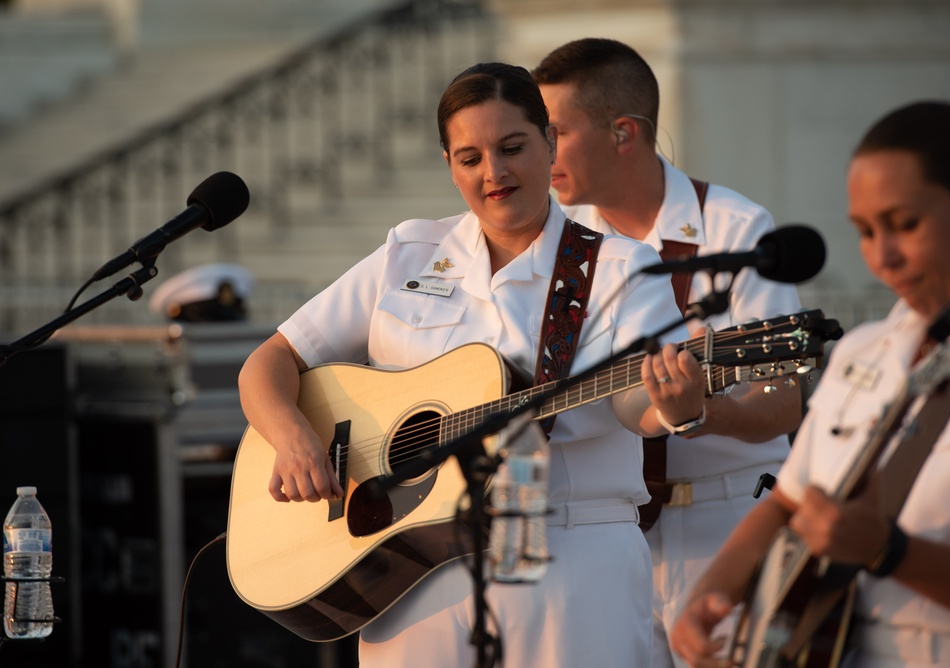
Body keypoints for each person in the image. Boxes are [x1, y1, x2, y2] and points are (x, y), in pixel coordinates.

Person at [238, 62, 707, 668]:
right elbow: (271, 360)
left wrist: (678, 407)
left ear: (550, 142)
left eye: (512, 147)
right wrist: (293, 437)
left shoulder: (621, 268)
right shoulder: (408, 253)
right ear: (449, 165)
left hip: (571, 561)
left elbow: (634, 404)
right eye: (470, 158)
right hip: (410, 573)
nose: (494, 173)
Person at [671, 100, 950, 667]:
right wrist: (712, 592)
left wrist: (890, 552)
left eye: (905, 225)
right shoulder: (863, 350)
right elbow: (787, 504)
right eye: (866, 232)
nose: (883, 258)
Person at [532, 38, 804, 666]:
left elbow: (784, 398)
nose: (542, 153)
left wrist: (703, 412)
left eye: (556, 132)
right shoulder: (564, 244)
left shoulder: (737, 229)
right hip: (607, 535)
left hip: (727, 522)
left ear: (624, 133)